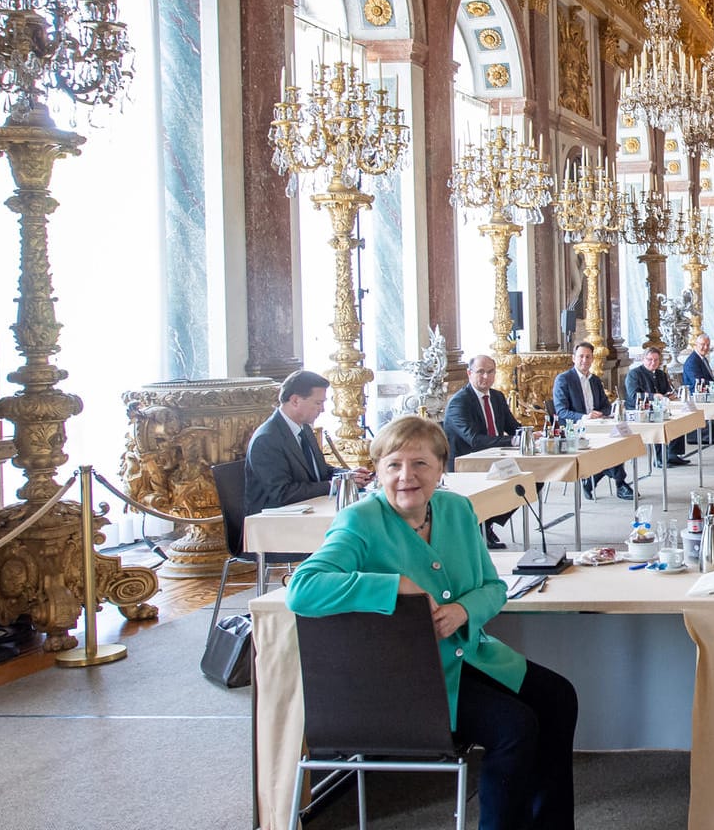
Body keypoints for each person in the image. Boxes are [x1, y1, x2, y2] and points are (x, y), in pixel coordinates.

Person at [287, 415, 577, 830]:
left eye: (420, 464)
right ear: (378, 472)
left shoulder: (457, 510)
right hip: (407, 680)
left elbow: (494, 588)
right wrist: (392, 586)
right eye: (394, 465)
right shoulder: (360, 521)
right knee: (515, 727)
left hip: (468, 656)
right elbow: (303, 588)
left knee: (558, 697)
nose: (407, 476)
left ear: (441, 468)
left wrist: (463, 611)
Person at [245, 370, 366, 514]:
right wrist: (334, 485)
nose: (322, 409)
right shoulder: (266, 439)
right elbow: (283, 493)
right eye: (318, 403)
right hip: (276, 522)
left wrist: (349, 476)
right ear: (295, 400)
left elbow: (321, 471)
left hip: (309, 510)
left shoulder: (304, 428)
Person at [442, 355, 520, 546]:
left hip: (495, 459)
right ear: (469, 373)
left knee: (532, 481)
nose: (486, 376)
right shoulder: (459, 402)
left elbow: (513, 427)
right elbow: (474, 440)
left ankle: (488, 521)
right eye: (480, 372)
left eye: (490, 372)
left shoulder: (498, 397)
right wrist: (513, 440)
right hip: (467, 464)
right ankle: (481, 525)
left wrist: (530, 435)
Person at [552, 342, 632, 500]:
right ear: (573, 358)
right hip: (575, 429)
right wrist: (584, 417)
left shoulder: (595, 380)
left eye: (588, 357)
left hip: (598, 425)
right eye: (581, 356)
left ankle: (593, 477)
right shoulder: (564, 380)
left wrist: (600, 414)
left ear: (592, 359)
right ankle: (620, 483)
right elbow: (561, 412)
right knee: (608, 447)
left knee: (620, 440)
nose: (584, 360)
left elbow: (606, 406)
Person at [624, 346, 691, 469]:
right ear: (643, 359)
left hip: (659, 407)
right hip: (639, 410)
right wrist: (653, 396)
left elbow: (666, 391)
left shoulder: (661, 374)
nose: (653, 363)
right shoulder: (634, 374)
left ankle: (673, 453)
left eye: (656, 360)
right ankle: (659, 458)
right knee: (658, 422)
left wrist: (669, 395)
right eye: (649, 359)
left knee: (679, 420)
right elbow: (634, 395)